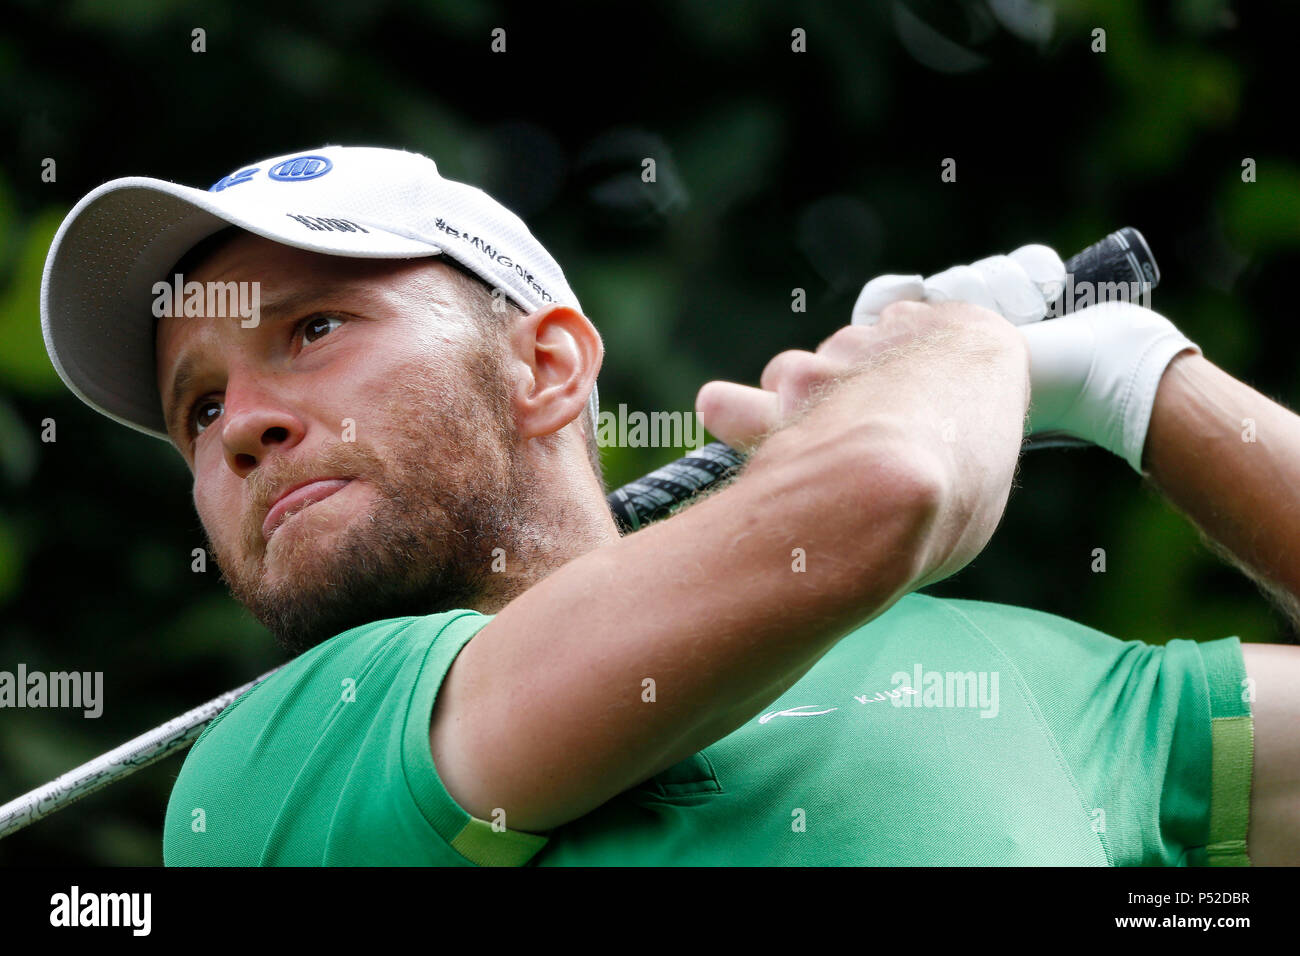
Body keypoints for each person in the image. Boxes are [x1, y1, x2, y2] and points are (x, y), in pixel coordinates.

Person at [40, 146, 1299, 866]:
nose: (242, 428)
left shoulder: (1001, 675)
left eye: (315, 327)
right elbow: (887, 489)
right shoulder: (269, 776)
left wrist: (1135, 379)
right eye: (198, 411)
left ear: (545, 366)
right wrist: (963, 355)